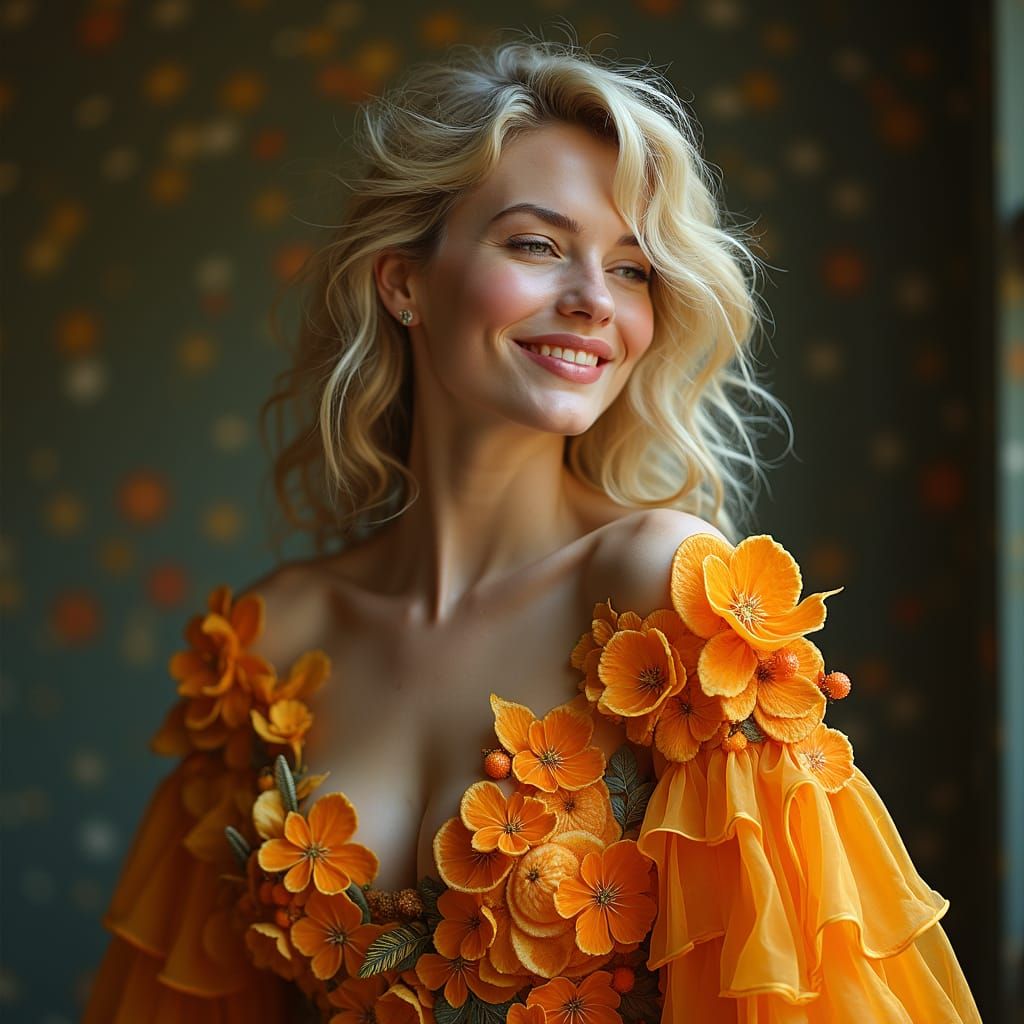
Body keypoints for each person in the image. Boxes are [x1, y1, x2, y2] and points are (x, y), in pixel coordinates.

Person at [83, 37, 982, 1023]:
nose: (595, 301)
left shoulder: (667, 598)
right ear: (404, 284)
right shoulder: (266, 647)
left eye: (634, 269)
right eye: (537, 245)